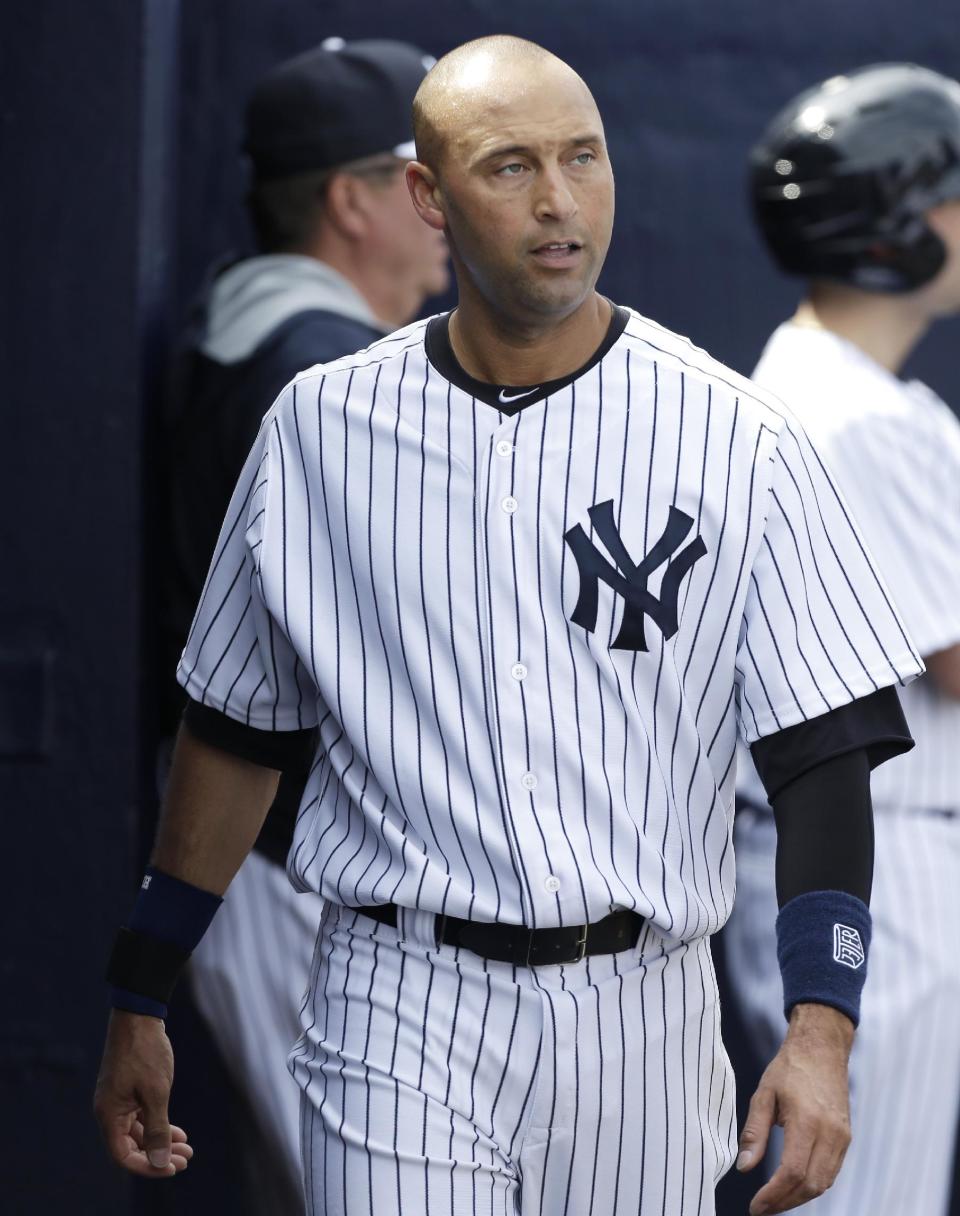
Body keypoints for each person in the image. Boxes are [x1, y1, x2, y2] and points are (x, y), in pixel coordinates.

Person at [96, 36, 922, 1216]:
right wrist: (143, 988)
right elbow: (236, 728)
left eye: (583, 158)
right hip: (398, 988)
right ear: (427, 195)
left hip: (643, 1005)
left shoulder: (738, 435)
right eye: (509, 165)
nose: (558, 201)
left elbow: (823, 752)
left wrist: (821, 1030)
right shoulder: (318, 426)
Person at [156, 37, 449, 1208]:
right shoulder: (315, 369)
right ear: (350, 199)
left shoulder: (269, 333)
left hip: (279, 871)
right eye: (421, 173)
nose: (451, 202)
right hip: (294, 874)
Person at [723, 63, 960, 1216]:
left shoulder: (863, 393)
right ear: (895, 221)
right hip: (886, 852)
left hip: (879, 846)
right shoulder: (843, 411)